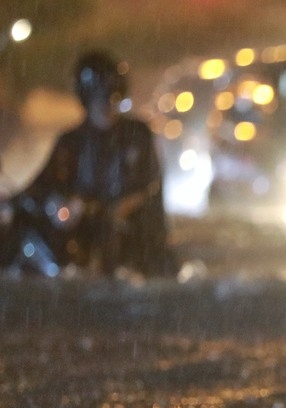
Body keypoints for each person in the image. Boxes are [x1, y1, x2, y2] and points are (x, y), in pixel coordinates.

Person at [11, 49, 173, 277]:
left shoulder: (137, 135)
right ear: (86, 99)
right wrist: (54, 203)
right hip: (80, 230)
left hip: (130, 232)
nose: (106, 105)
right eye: (99, 98)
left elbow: (146, 186)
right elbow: (42, 185)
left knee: (113, 237)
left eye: (111, 97)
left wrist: (106, 210)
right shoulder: (71, 141)